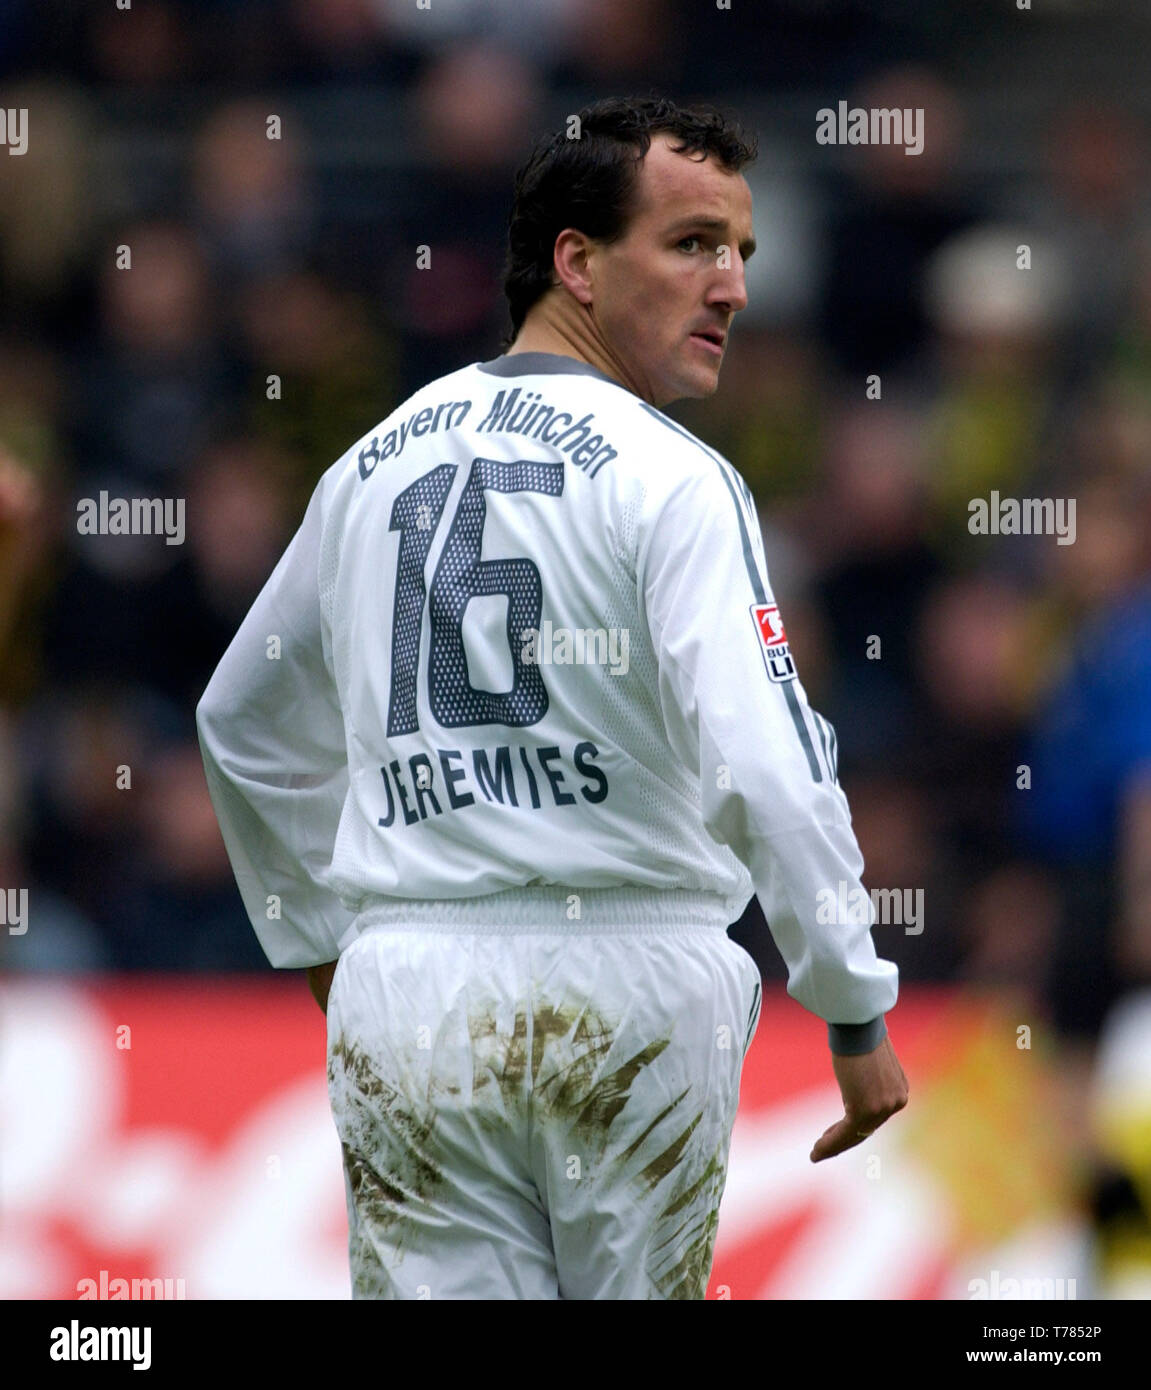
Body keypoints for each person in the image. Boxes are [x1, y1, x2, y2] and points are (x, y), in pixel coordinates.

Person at [197, 95, 908, 1301]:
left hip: (405, 991)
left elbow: (243, 730)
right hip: (631, 984)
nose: (731, 286)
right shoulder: (676, 482)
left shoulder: (368, 465)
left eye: (740, 250)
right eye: (691, 244)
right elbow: (767, 768)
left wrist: (325, 946)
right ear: (573, 261)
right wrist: (849, 1004)